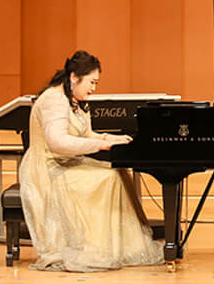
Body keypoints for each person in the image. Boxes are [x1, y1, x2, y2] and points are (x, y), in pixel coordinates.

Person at [18, 50, 163, 271]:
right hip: (47, 169)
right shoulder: (54, 99)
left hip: (66, 163)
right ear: (74, 77)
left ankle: (117, 247)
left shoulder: (72, 99)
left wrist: (111, 139)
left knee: (117, 172)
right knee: (108, 178)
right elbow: (58, 143)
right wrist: (101, 145)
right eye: (92, 82)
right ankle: (94, 247)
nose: (94, 88)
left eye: (96, 83)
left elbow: (85, 134)